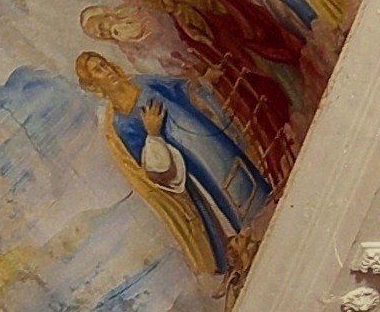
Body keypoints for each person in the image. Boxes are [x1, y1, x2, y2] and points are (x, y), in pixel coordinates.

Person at [76, 48, 271, 280]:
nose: (107, 70)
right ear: (92, 84)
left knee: (237, 167)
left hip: (206, 136)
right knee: (221, 192)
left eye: (104, 64)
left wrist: (202, 83)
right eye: (98, 70)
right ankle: (251, 235)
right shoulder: (121, 122)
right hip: (191, 165)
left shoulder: (142, 82)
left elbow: (179, 89)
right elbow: (147, 163)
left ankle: (267, 208)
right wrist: (153, 133)